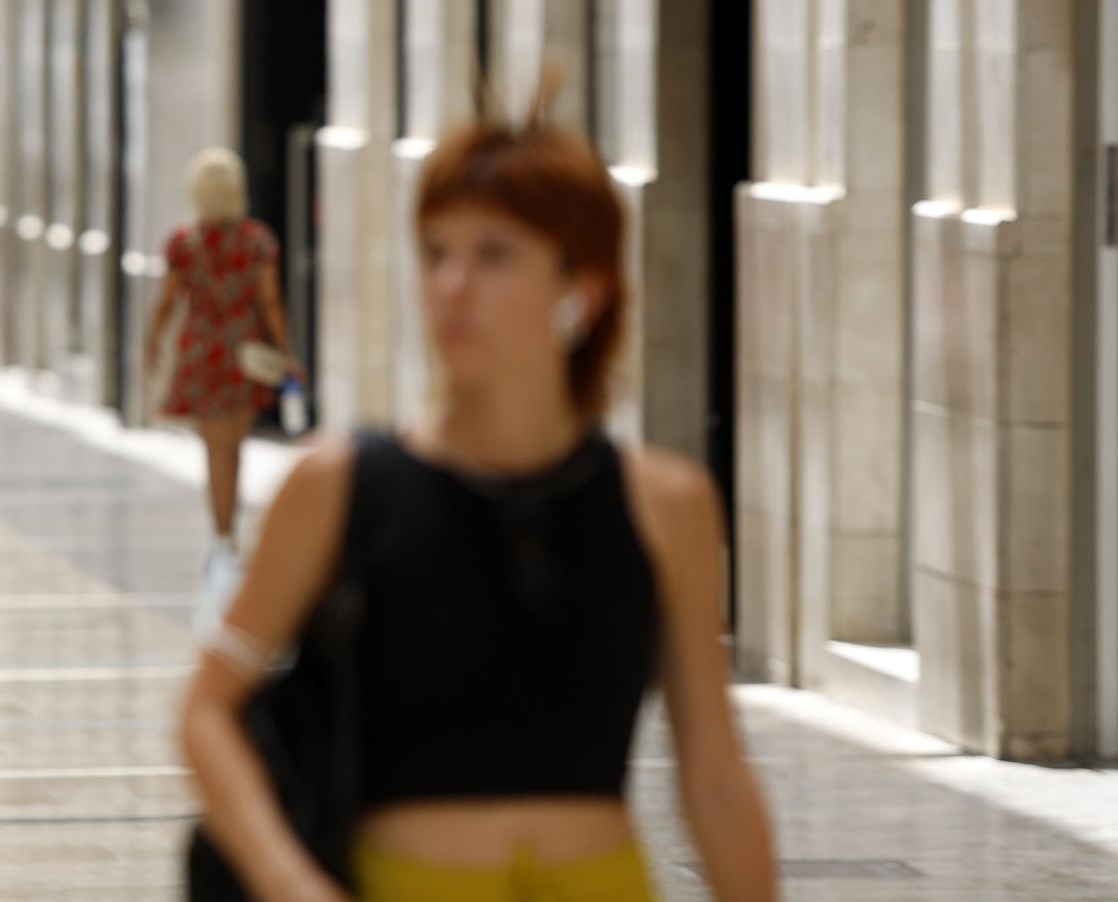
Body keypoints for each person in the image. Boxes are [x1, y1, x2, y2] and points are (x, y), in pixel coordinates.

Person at [179, 93, 777, 902]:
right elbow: (208, 709)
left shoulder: (666, 504)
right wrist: (290, 881)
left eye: (495, 255)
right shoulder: (340, 485)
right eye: (435, 253)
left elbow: (714, 774)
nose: (453, 285)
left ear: (583, 287)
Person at [145, 148, 298, 631]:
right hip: (243, 353)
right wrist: (285, 349)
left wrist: (153, 340)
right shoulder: (256, 241)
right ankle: (227, 535)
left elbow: (170, 299)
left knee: (215, 450)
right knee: (236, 447)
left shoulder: (185, 243)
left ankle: (223, 535)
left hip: (202, 352)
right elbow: (270, 300)